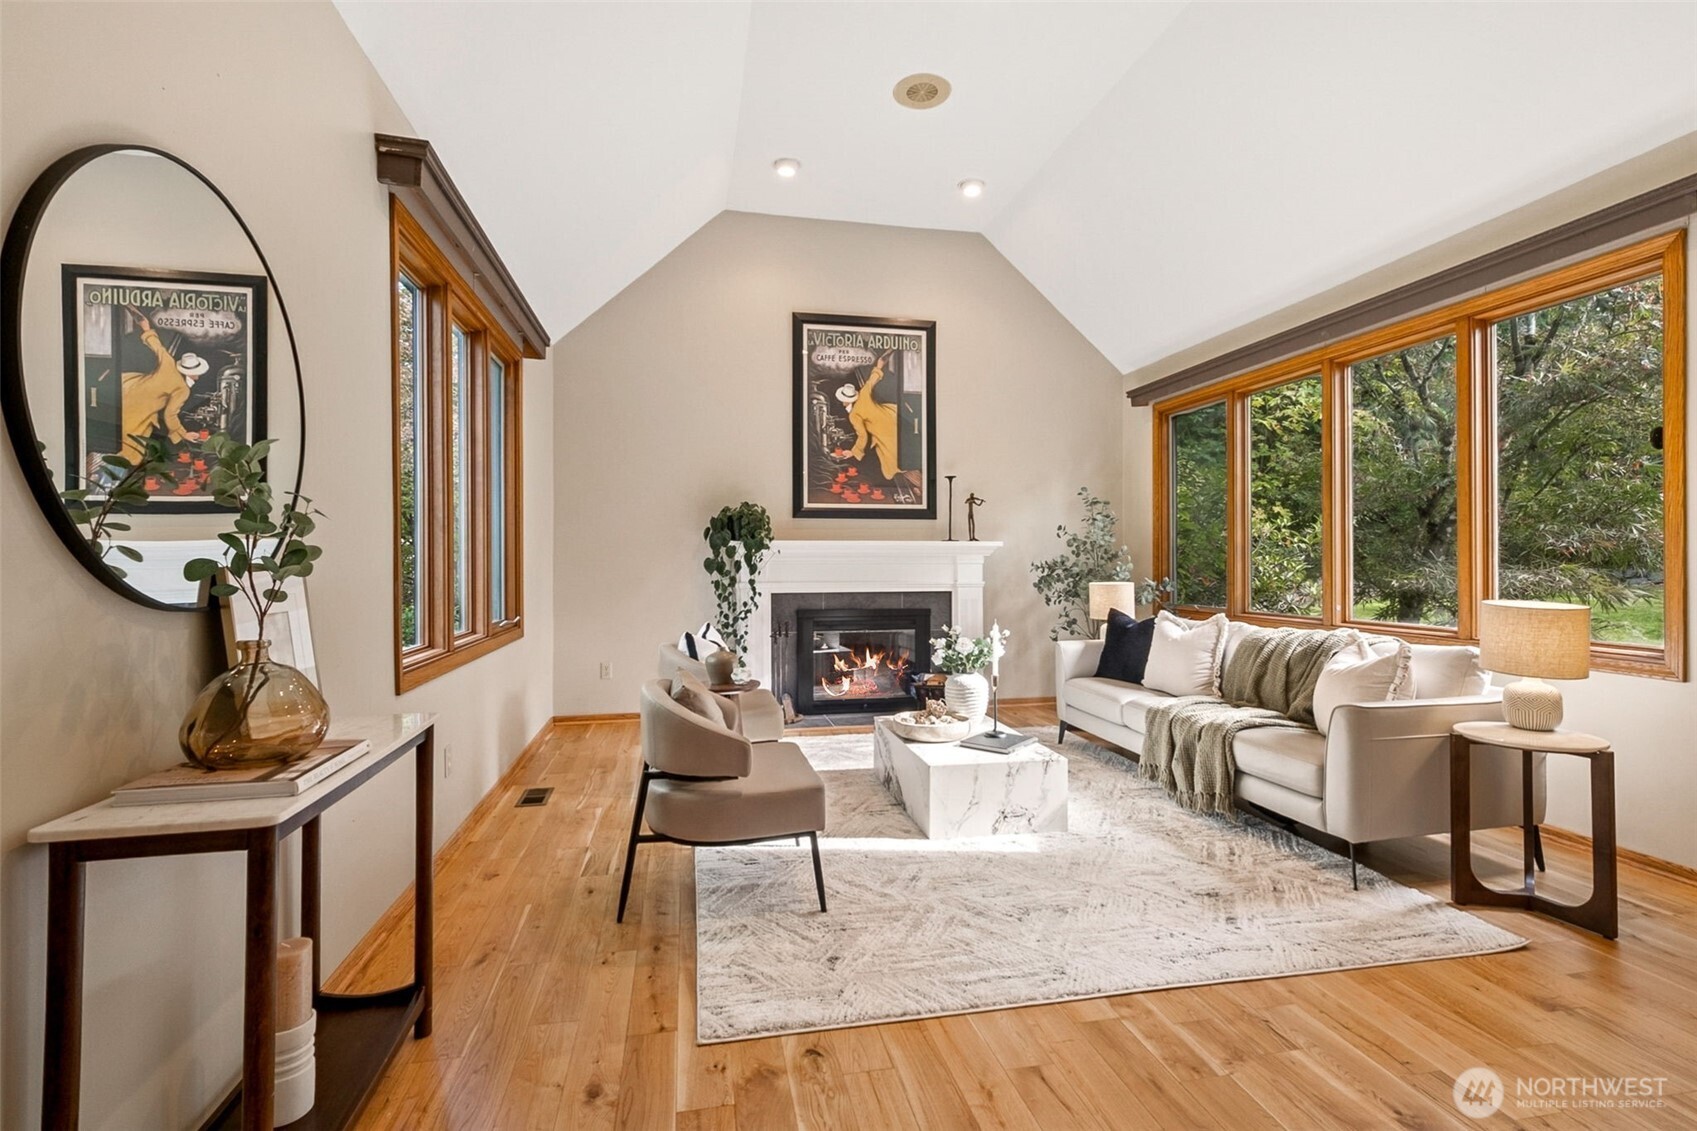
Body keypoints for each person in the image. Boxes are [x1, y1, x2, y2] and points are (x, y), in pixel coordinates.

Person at [118, 311, 207, 464]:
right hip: (139, 410)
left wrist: (145, 327)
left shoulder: (169, 364)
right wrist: (183, 434)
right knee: (132, 447)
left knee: (122, 438)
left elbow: (157, 346)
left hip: (127, 388)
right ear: (195, 374)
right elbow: (170, 415)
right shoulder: (182, 390)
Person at [835, 351, 903, 481]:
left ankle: (915, 482)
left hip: (884, 433)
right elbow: (873, 378)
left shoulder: (854, 415)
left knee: (891, 463)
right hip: (892, 417)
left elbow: (863, 436)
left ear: (845, 401)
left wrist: (854, 452)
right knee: (900, 454)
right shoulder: (864, 393)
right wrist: (880, 364)